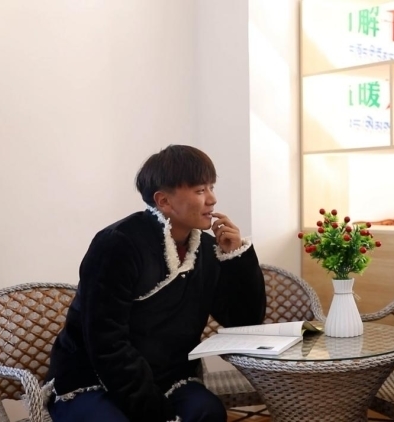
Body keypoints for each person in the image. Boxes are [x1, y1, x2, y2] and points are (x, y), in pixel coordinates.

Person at [46, 145, 266, 422]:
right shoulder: (117, 244)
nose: (212, 199)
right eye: (200, 190)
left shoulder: (208, 250)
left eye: (211, 187)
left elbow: (244, 322)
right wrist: (155, 413)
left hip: (168, 378)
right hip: (92, 377)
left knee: (207, 412)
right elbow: (106, 343)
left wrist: (236, 258)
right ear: (163, 201)